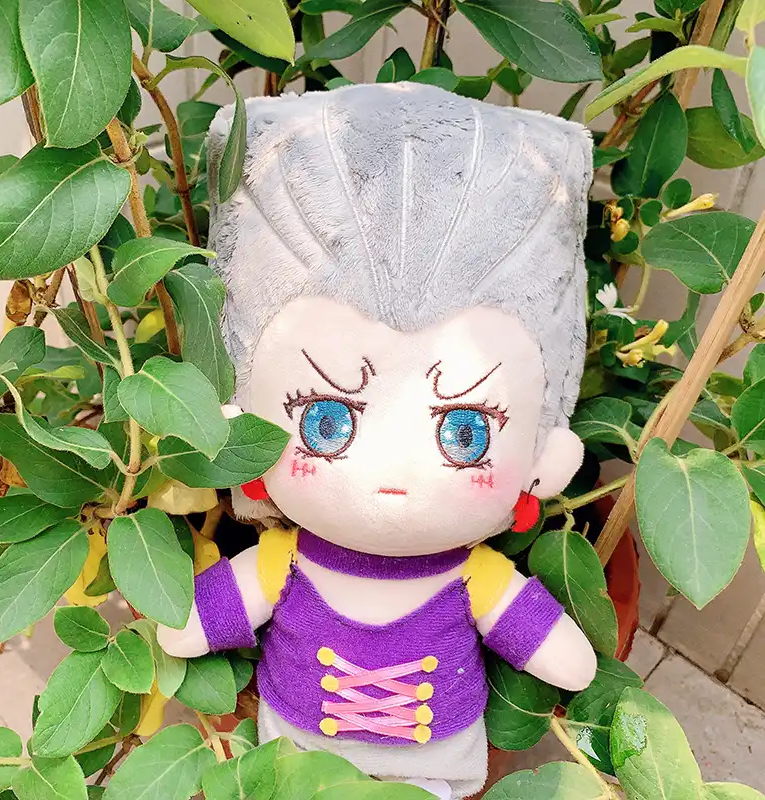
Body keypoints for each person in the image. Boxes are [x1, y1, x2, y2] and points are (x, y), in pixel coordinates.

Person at [158, 82, 597, 799]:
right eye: (326, 421)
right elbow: (196, 622)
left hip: (434, 766)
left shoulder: (473, 576)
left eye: (464, 432)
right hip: (300, 761)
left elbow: (556, 650)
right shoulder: (286, 561)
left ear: (540, 462)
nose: (393, 470)